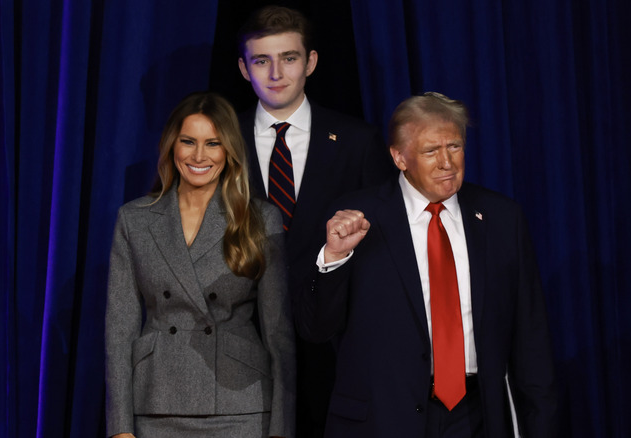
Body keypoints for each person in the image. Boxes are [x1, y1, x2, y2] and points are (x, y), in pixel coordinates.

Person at [295, 92, 559, 437]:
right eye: (431, 151)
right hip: (383, 419)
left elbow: (531, 338)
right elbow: (316, 328)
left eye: (454, 146)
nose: (447, 162)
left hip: (477, 417)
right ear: (399, 157)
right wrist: (334, 258)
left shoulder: (501, 218)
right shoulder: (356, 216)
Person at [236, 6, 395, 436]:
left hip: (334, 349)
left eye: (288, 58)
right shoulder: (219, 140)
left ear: (311, 62)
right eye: (261, 60)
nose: (275, 73)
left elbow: (384, 247)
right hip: (238, 352)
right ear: (244, 69)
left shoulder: (358, 141)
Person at [105, 91, 295, 438]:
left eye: (213, 144)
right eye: (188, 142)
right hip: (156, 401)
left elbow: (278, 332)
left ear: (229, 151)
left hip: (241, 404)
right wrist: (119, 428)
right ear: (171, 146)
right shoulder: (134, 219)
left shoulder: (259, 218)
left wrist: (281, 428)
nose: (198, 155)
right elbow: (119, 332)